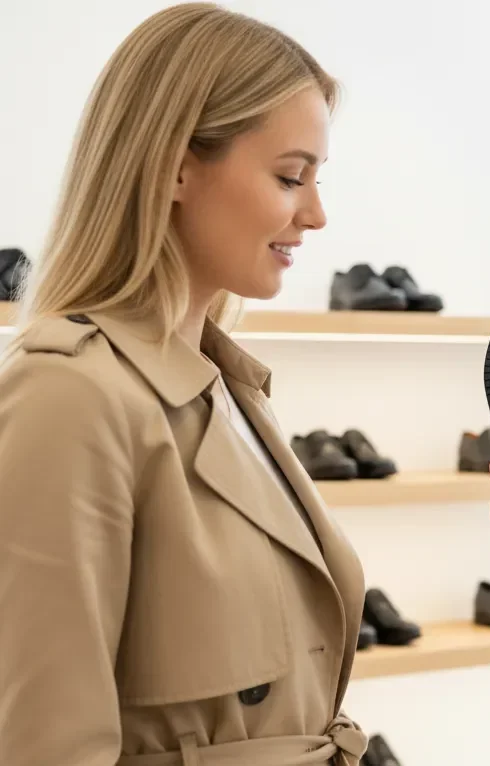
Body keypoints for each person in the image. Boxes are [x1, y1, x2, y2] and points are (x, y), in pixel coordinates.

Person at [0, 5, 369, 765]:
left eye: (316, 179)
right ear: (174, 166)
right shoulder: (69, 396)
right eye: (289, 176)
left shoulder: (229, 389)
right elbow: (46, 745)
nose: (316, 213)